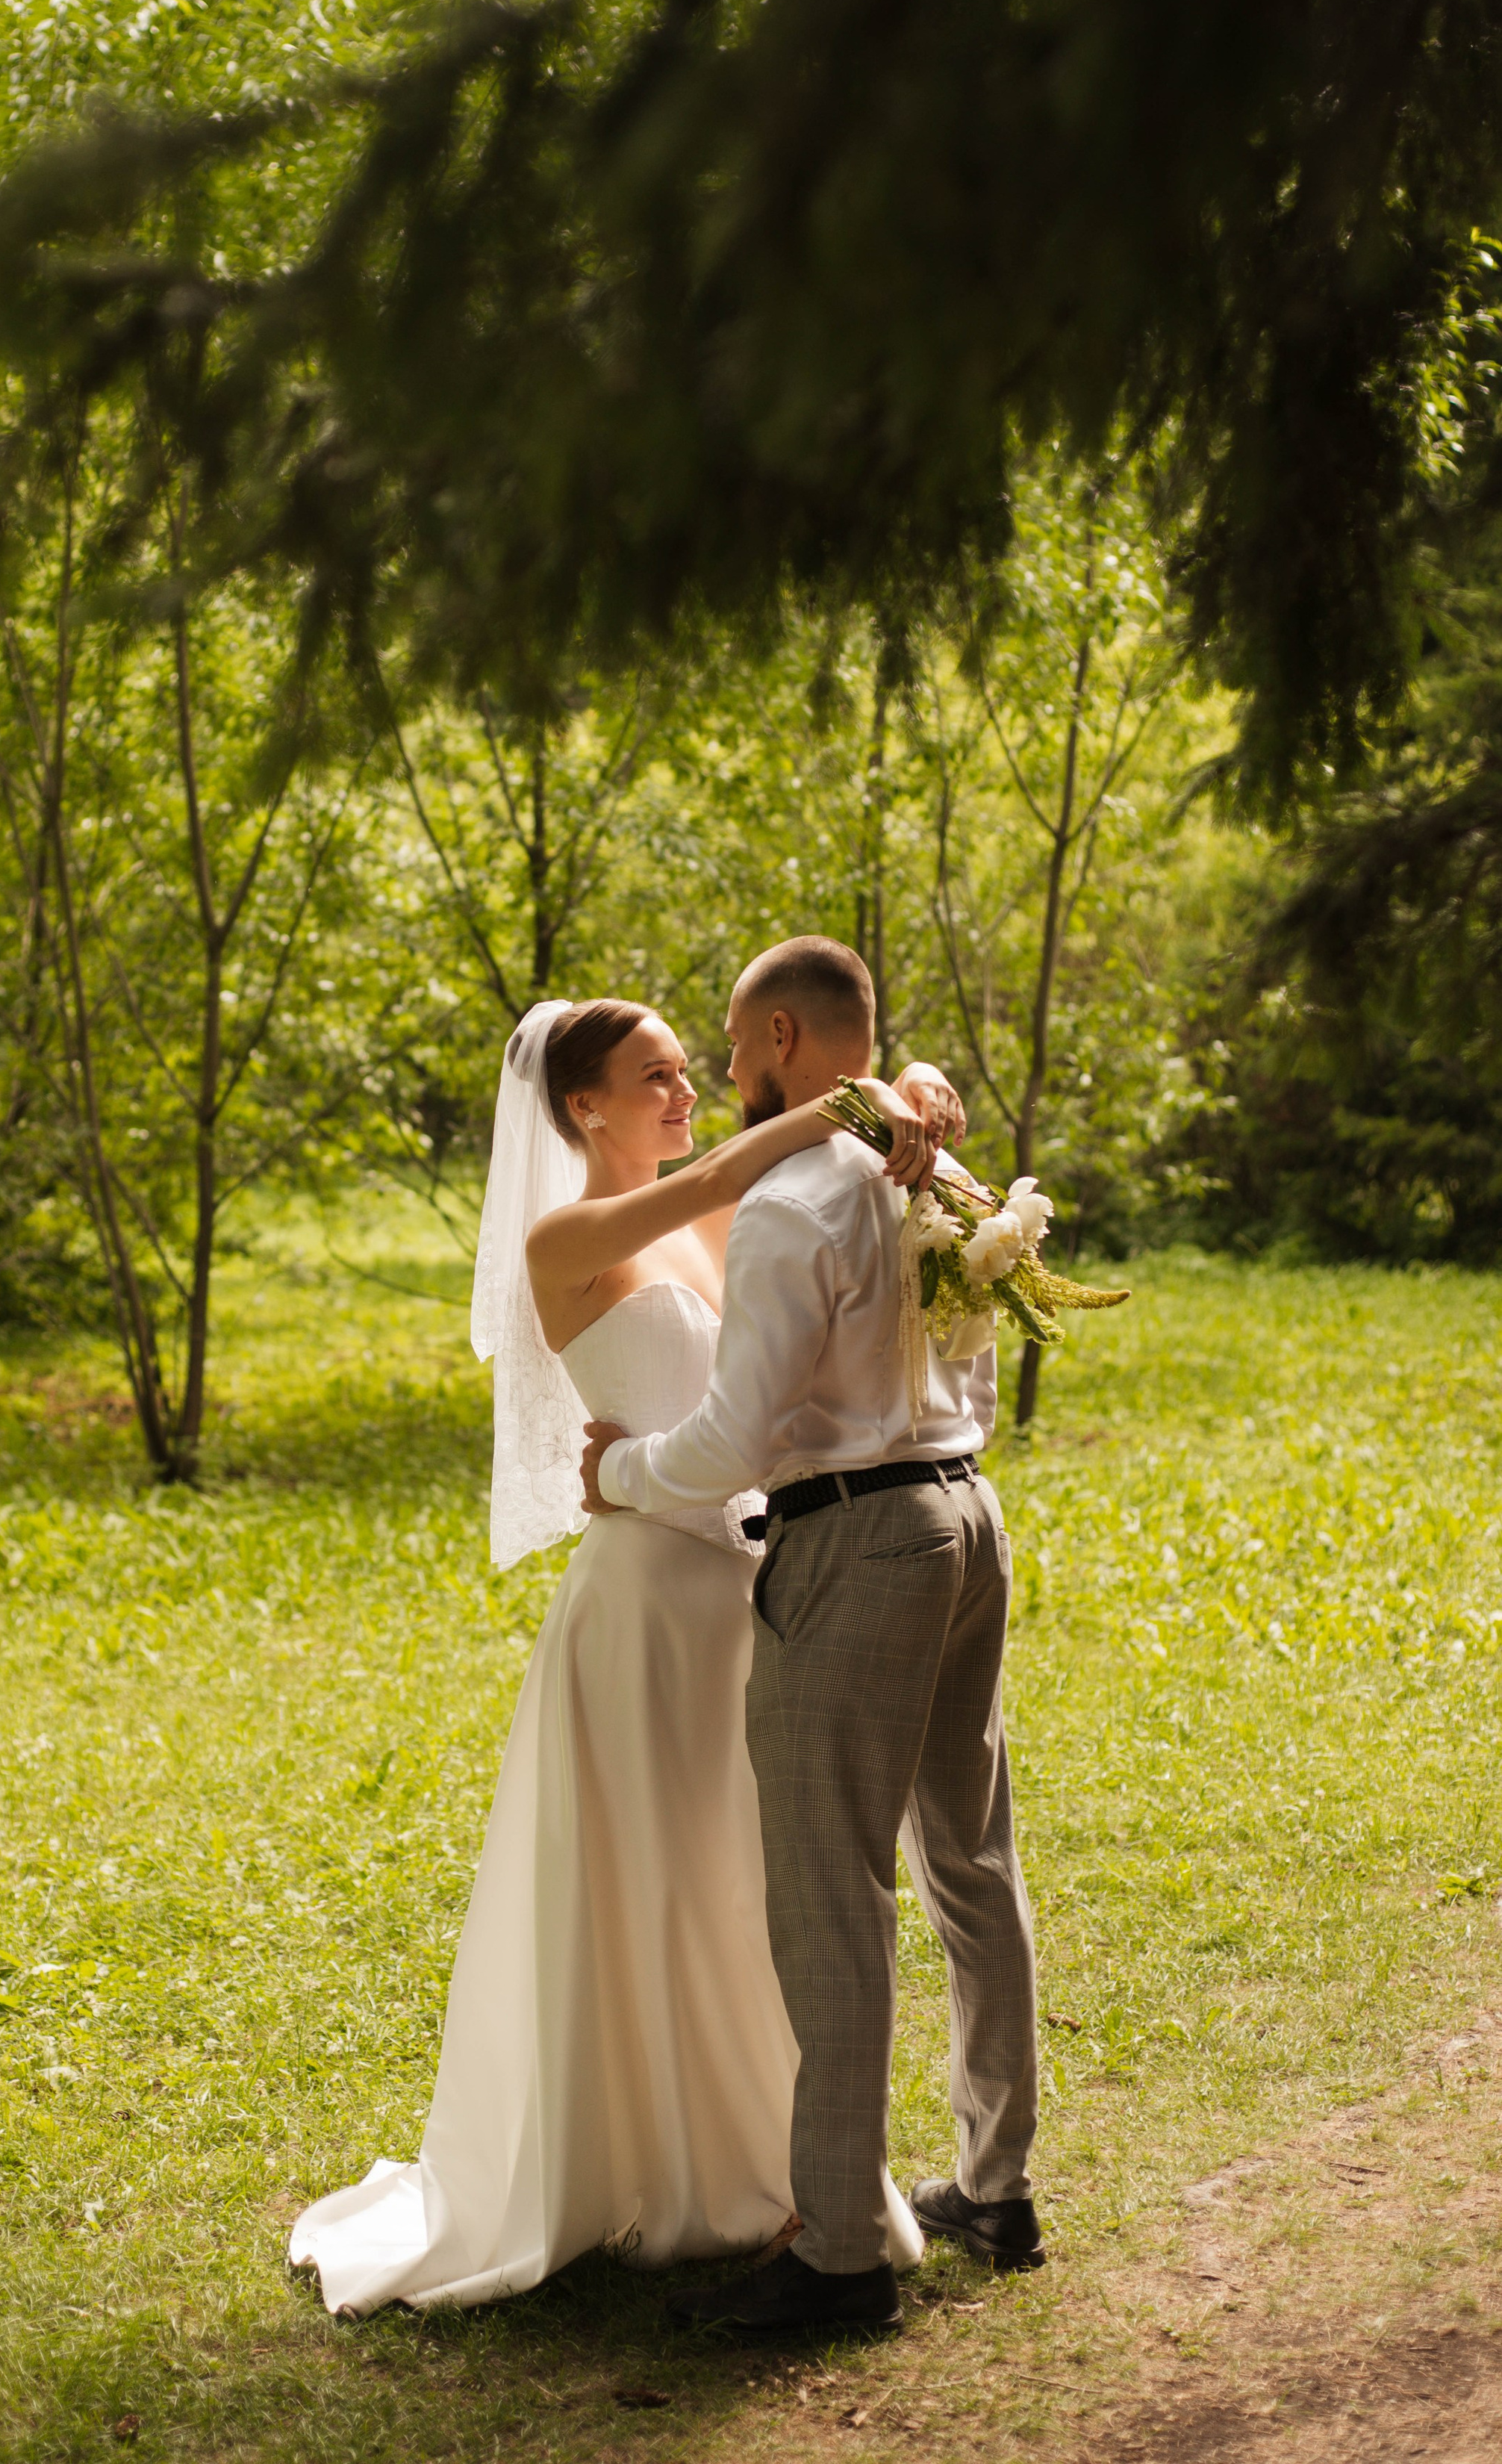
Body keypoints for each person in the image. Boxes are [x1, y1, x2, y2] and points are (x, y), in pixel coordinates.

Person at [287, 995, 959, 2315]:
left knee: (742, 1880)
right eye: (654, 1076)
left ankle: (765, 2162)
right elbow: (728, 1166)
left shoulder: (717, 1226)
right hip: (642, 1607)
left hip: (748, 1591)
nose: (685, 1094)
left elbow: (781, 1278)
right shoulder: (572, 1237)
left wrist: (914, 1086)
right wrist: (858, 1095)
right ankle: (635, 2163)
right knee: (642, 1883)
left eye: (682, 1072)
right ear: (582, 1105)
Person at [581, 936, 1043, 2340]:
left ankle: (840, 2250)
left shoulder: (796, 1196)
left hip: (856, 1542)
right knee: (970, 1856)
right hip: (968, 1516)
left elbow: (733, 1439)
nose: (723, 1075)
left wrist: (617, 1473)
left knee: (832, 1890)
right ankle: (996, 2186)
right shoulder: (942, 1177)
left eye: (729, 1047)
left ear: (783, 1035)